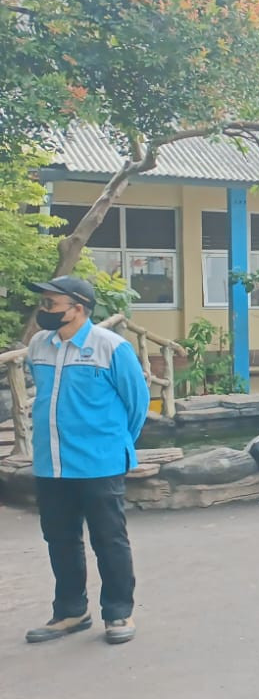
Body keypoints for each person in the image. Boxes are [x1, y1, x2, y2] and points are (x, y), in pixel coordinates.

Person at [23, 276, 150, 646]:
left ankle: (118, 612)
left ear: (77, 308)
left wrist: (113, 444)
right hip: (51, 463)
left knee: (109, 539)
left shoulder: (111, 348)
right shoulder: (38, 346)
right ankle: (70, 611)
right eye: (44, 303)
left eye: (50, 304)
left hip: (99, 463)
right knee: (60, 539)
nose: (43, 310)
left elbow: (136, 405)